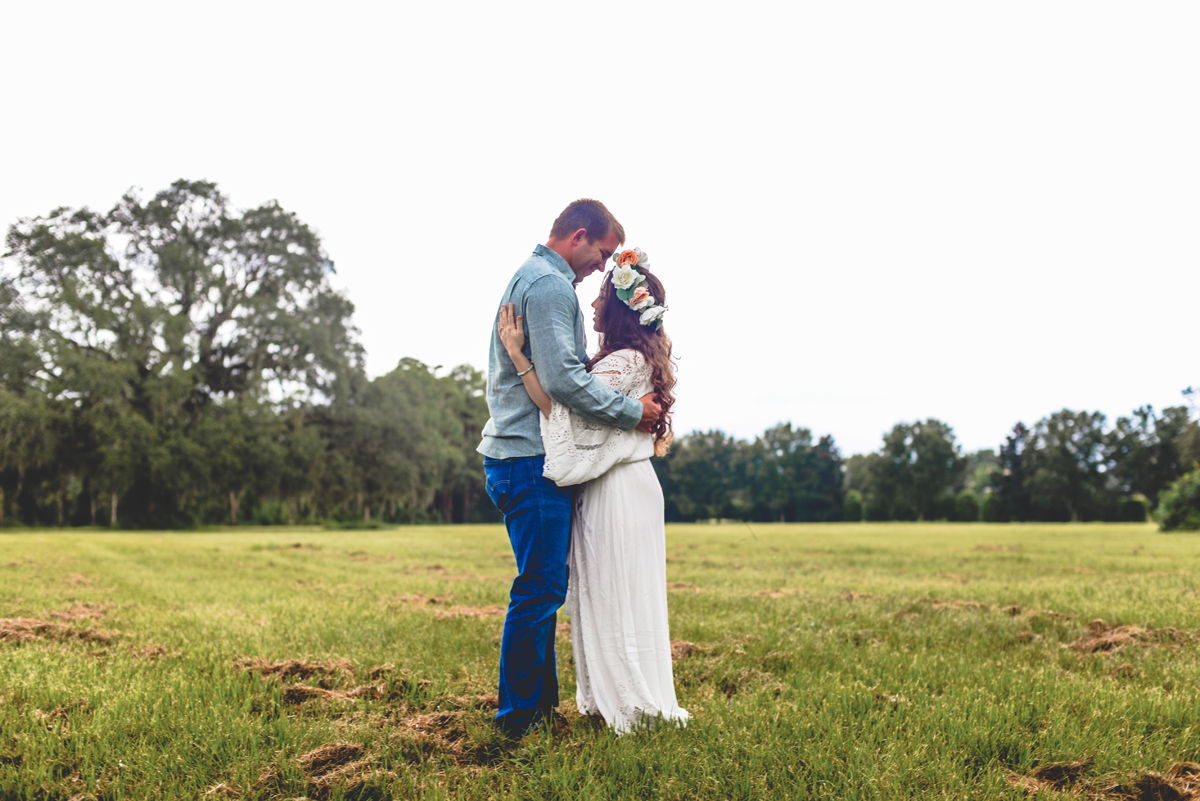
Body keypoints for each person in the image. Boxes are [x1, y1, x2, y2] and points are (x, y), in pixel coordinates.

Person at [478, 199, 662, 738]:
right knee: (539, 589)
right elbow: (562, 382)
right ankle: (519, 722)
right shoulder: (551, 285)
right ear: (579, 236)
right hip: (527, 460)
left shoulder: (530, 277)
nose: (601, 267)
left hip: (517, 456)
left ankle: (538, 711)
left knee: (544, 586)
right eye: (601, 254)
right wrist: (635, 414)